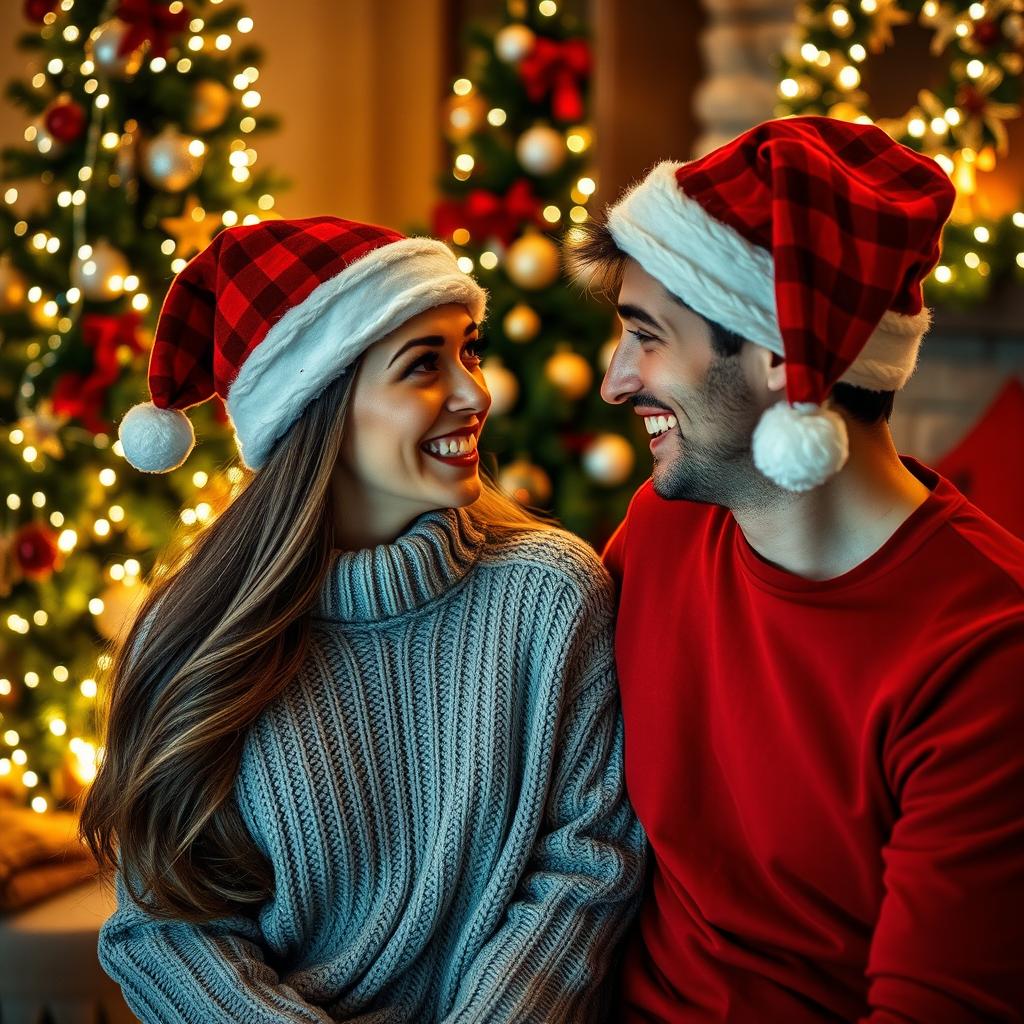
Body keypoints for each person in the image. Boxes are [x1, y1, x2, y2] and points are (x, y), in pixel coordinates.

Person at [79, 216, 646, 1024]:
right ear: (319, 405)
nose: (474, 393)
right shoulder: (195, 632)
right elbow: (165, 929)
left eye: (469, 350)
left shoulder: (553, 599)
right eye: (423, 366)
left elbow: (588, 864)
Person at [569, 116, 1024, 1022]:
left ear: (783, 355)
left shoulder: (988, 656)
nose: (617, 381)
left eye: (647, 336)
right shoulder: (662, 530)